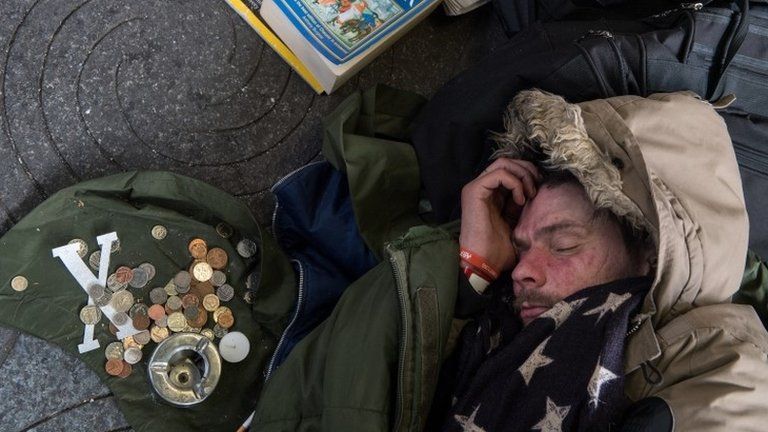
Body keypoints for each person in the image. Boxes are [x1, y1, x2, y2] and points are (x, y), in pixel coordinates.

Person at [249, 90, 768, 431]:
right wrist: (471, 269)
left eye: (563, 244)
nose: (521, 270)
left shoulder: (726, 369)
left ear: (650, 250)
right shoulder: (495, 319)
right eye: (521, 246)